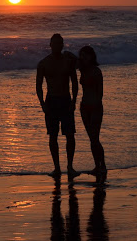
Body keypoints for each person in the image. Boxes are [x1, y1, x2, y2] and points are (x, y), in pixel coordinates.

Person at [37, 33, 80, 178]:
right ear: (50, 45)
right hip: (51, 101)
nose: (57, 46)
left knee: (70, 135)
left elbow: (74, 82)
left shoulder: (68, 62)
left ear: (63, 45)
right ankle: (56, 168)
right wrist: (42, 104)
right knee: (53, 136)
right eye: (55, 43)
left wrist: (74, 101)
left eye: (60, 43)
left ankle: (70, 166)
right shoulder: (43, 63)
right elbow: (38, 86)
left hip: (66, 100)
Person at [78, 45, 106, 178]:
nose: (84, 58)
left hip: (95, 107)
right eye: (82, 55)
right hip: (84, 107)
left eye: (86, 55)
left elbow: (100, 93)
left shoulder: (96, 71)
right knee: (92, 138)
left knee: (95, 138)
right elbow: (67, 55)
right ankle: (97, 165)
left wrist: (96, 106)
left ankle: (103, 165)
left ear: (92, 56)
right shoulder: (82, 70)